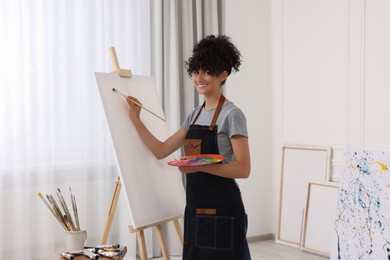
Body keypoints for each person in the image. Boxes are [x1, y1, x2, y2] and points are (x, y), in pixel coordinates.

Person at [126, 35, 251, 260]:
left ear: (223, 74)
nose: (199, 78)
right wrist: (136, 119)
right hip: (196, 208)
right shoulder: (194, 115)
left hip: (224, 208)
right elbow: (161, 150)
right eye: (196, 71)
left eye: (207, 71)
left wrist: (200, 167)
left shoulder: (232, 115)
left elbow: (243, 169)